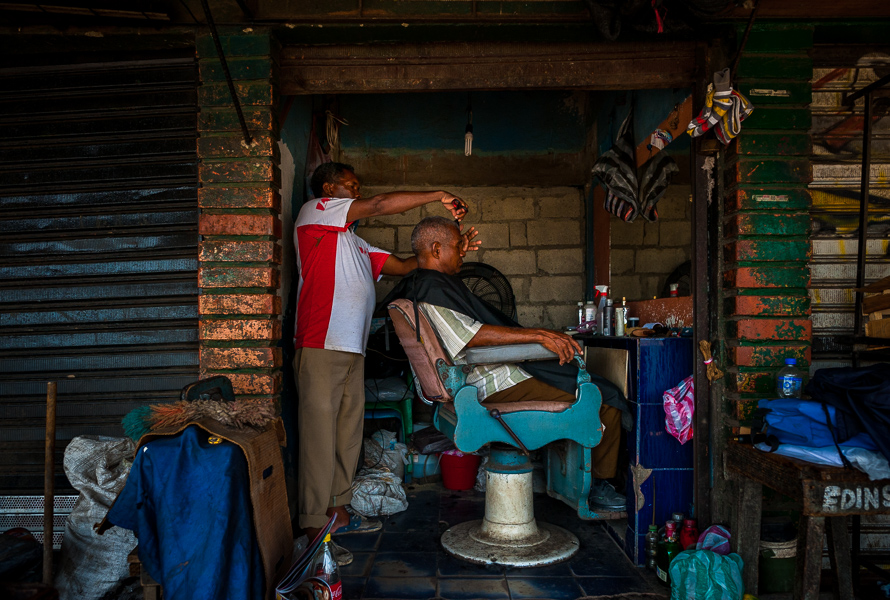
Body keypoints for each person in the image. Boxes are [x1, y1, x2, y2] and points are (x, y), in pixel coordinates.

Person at [381, 216, 629, 512]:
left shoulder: (422, 285)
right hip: (493, 384)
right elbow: (471, 337)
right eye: (458, 247)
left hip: (479, 382)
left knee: (575, 378)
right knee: (604, 397)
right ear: (437, 249)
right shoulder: (433, 290)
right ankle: (600, 484)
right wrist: (539, 336)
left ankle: (568, 478)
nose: (463, 252)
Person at [293, 163, 480, 545]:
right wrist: (437, 194)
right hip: (319, 344)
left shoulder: (359, 245)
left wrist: (449, 251)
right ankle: (313, 527)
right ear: (329, 188)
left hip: (352, 350)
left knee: (347, 434)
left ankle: (338, 510)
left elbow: (410, 265)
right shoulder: (316, 212)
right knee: (317, 437)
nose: (358, 193)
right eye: (352, 186)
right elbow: (378, 205)